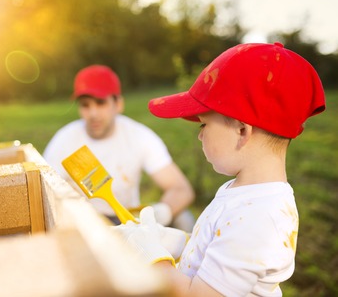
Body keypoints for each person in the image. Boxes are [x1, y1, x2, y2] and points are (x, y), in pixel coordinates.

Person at [114, 42, 326, 296]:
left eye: (203, 125)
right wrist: (174, 242)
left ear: (241, 130)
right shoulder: (244, 193)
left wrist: (151, 256)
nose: (200, 136)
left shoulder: (257, 218)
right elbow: (216, 248)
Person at [43, 64, 196, 231]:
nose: (93, 113)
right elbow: (45, 194)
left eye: (100, 103)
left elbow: (181, 189)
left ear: (118, 104)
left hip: (129, 221)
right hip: (84, 225)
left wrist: (158, 215)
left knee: (184, 219)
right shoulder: (64, 139)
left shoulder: (139, 136)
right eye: (85, 105)